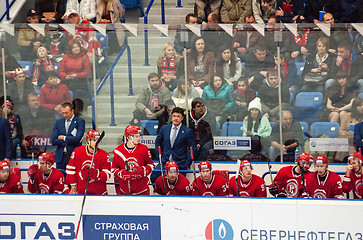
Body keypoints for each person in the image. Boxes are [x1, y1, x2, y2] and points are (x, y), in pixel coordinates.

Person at [152, 107, 197, 183]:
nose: (176, 118)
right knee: (154, 176)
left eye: (178, 116)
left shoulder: (187, 131)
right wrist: (160, 157)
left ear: (182, 118)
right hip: (165, 162)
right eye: (174, 116)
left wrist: (187, 163)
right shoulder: (164, 128)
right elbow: (157, 142)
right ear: (171, 117)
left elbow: (193, 147)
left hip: (180, 163)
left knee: (180, 184)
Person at [112, 125, 156, 195]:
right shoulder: (118, 151)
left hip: (142, 189)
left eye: (139, 136)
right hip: (125, 190)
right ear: (129, 137)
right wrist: (121, 173)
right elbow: (114, 169)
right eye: (136, 136)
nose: (139, 138)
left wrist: (143, 170)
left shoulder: (144, 149)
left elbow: (151, 165)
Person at [65, 130, 111, 195]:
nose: (96, 143)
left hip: (100, 194)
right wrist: (73, 185)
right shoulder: (78, 151)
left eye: (98, 141)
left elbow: (108, 175)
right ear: (88, 141)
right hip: (82, 192)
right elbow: (70, 170)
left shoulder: (104, 155)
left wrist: (96, 174)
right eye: (94, 140)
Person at [51, 102, 85, 170]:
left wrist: (64, 138)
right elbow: (53, 140)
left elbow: (77, 139)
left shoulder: (80, 121)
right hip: (61, 157)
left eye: (66, 113)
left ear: (72, 111)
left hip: (74, 156)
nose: (64, 115)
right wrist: (69, 140)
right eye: (63, 113)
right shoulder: (59, 122)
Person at [58, 39, 91, 103]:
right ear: (70, 49)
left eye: (77, 47)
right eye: (73, 48)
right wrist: (66, 76)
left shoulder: (84, 57)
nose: (76, 49)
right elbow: (61, 71)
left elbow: (86, 72)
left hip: (80, 80)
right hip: (68, 80)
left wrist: (76, 75)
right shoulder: (65, 57)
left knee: (71, 89)